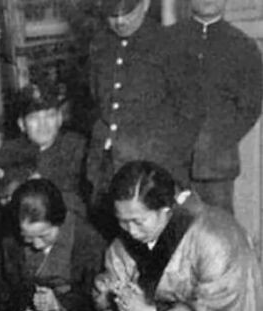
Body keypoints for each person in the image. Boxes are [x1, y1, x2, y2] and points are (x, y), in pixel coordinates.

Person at [92, 161, 263, 311]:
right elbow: (117, 271)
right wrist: (108, 291)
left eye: (138, 222)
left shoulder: (215, 237)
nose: (130, 231)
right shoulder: (145, 232)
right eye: (123, 221)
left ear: (166, 208)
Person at [86, 0, 201, 234]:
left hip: (153, 168)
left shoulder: (170, 44)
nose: (119, 21)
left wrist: (169, 161)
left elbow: (192, 111)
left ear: (146, 4)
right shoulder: (99, 45)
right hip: (105, 166)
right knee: (111, 235)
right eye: (112, 14)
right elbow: (94, 100)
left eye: (127, 12)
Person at [0, 178, 105, 311]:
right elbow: (1, 289)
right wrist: (27, 302)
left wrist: (57, 304)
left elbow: (95, 303)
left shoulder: (88, 241)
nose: (37, 245)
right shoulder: (10, 241)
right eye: (27, 237)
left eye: (44, 236)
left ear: (60, 221)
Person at [169, 0, 262, 214]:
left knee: (219, 231)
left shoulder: (243, 46)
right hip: (172, 162)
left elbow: (250, 107)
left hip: (217, 166)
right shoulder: (168, 40)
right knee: (172, 231)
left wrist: (219, 140)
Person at [0, 75, 87, 218]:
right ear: (22, 124)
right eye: (34, 118)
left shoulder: (77, 147)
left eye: (50, 116)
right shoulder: (10, 151)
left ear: (59, 119)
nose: (43, 125)